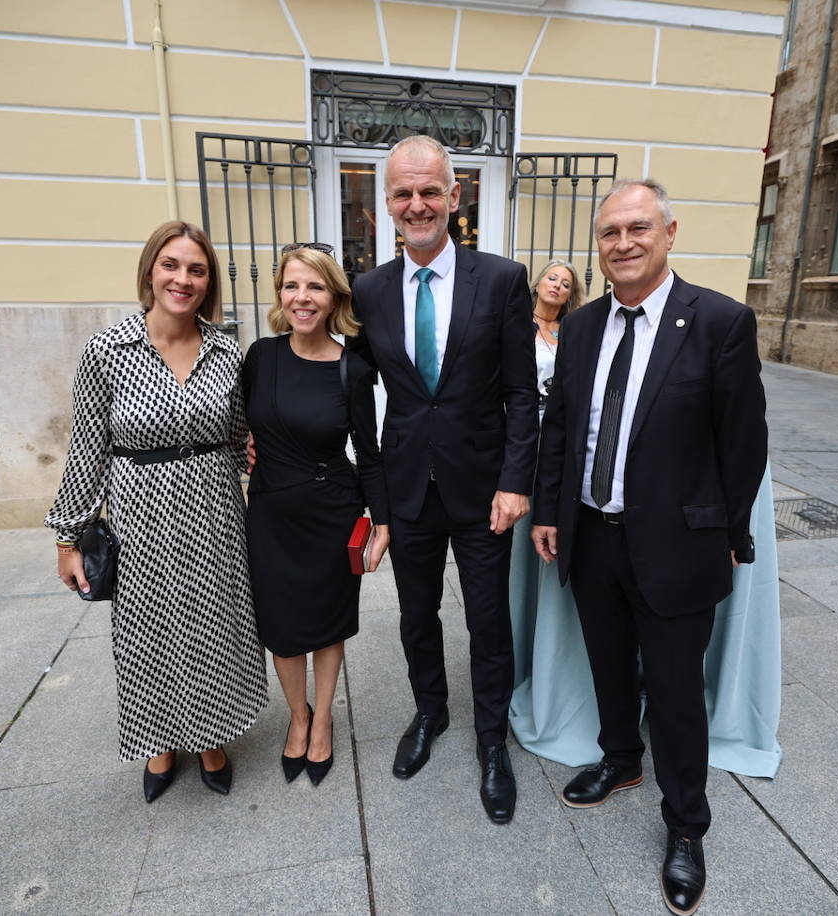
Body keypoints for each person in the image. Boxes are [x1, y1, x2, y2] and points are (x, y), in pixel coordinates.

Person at [532, 179, 768, 915]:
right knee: (606, 663)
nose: (624, 243)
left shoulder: (720, 322)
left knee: (673, 693)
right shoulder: (581, 326)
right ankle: (620, 761)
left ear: (670, 233)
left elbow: (744, 442)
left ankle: (686, 827)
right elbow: (561, 429)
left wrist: (729, 535)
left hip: (677, 545)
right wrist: (549, 510)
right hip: (593, 534)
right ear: (597, 246)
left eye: (639, 228)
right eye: (610, 233)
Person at [349, 134, 538, 824]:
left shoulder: (502, 280)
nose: (418, 204)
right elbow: (344, 379)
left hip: (486, 489)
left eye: (431, 191)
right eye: (403, 193)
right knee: (416, 616)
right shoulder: (367, 290)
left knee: (489, 620)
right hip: (410, 491)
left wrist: (516, 480)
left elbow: (523, 393)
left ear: (455, 197)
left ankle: (493, 741)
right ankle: (430, 713)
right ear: (386, 208)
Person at [47, 220, 268, 804]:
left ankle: (213, 738)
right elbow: (86, 447)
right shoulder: (108, 350)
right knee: (149, 633)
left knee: (216, 625)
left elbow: (244, 435)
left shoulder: (225, 348)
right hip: (141, 510)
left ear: (208, 281)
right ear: (150, 270)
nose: (183, 278)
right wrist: (68, 540)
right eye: (171, 265)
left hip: (216, 508)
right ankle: (159, 741)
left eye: (196, 269)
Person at [242, 243, 390, 787]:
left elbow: (369, 452)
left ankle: (323, 718)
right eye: (292, 286)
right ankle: (296, 717)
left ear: (334, 298)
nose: (302, 297)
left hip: (332, 513)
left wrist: (383, 522)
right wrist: (246, 450)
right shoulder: (260, 355)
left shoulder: (353, 370)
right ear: (280, 293)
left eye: (315, 287)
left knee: (328, 626)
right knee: (281, 628)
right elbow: (236, 426)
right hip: (270, 514)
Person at [507, 260, 603, 766]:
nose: (558, 286)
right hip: (527, 437)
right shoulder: (518, 325)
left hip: (563, 439)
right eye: (552, 278)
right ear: (538, 284)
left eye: (567, 283)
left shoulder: (578, 331)